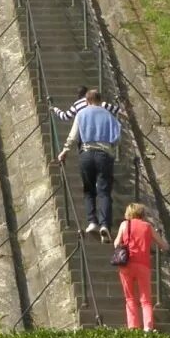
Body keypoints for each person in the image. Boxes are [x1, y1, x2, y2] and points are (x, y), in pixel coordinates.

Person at [57, 85, 121, 236]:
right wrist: (111, 148)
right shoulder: (110, 116)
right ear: (100, 100)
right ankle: (105, 224)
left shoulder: (81, 114)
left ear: (87, 101)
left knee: (89, 190)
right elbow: (118, 137)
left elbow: (73, 135)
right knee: (104, 191)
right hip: (105, 154)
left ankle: (92, 222)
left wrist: (65, 150)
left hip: (86, 153)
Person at [113, 202, 160, 331]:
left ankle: (133, 327)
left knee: (130, 298)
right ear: (142, 213)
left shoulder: (124, 225)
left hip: (126, 265)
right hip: (143, 265)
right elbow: (163, 244)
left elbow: (116, 243)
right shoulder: (147, 226)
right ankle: (148, 327)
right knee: (146, 300)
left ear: (129, 213)